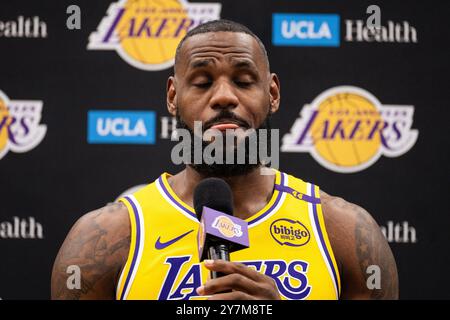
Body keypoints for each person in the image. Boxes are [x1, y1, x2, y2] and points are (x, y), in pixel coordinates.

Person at [51, 20, 398, 300]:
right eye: (202, 83)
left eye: (244, 81)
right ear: (173, 97)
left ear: (272, 94)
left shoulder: (343, 232)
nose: (224, 97)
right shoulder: (105, 240)